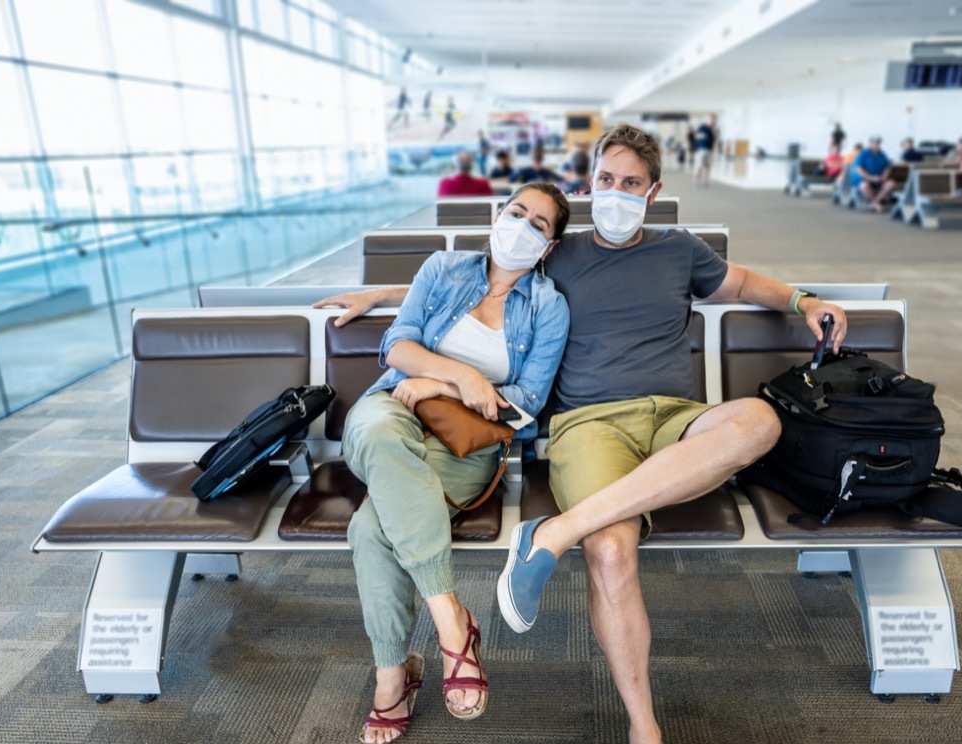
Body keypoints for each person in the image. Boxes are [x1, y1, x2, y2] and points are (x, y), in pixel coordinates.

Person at [320, 124, 848, 744]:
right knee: (611, 550)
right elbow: (482, 277)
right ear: (588, 182)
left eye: (631, 184)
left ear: (653, 192)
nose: (616, 193)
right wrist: (382, 293)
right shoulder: (557, 250)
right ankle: (643, 726)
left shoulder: (678, 249)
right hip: (589, 424)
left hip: (676, 415)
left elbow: (740, 284)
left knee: (760, 420)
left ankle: (555, 534)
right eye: (605, 180)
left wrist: (802, 300)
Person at [318, 183, 571, 744]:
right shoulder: (444, 268)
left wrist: (439, 384)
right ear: (495, 215)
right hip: (391, 410)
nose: (523, 227)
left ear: (549, 247)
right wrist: (463, 377)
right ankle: (453, 625)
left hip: (467, 442)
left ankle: (393, 677)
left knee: (370, 528)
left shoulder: (548, 307)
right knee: (383, 434)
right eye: (516, 213)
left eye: (540, 225)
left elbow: (527, 400)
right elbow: (397, 347)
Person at [850, 136, 896, 212]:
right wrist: (870, 178)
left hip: (879, 178)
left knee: (891, 184)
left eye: (878, 143)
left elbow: (888, 167)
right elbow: (858, 168)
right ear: (870, 143)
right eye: (875, 143)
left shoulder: (882, 154)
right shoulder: (863, 154)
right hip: (864, 179)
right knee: (864, 186)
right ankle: (875, 202)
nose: (877, 145)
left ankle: (875, 202)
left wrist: (884, 176)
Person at [693, 114, 719, 187]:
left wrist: (714, 133)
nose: (713, 121)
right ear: (709, 119)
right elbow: (696, 136)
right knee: (700, 165)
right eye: (712, 119)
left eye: (714, 120)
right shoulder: (703, 127)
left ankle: (705, 181)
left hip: (709, 150)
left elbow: (714, 140)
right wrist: (702, 136)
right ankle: (696, 181)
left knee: (707, 166)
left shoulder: (714, 129)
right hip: (702, 149)